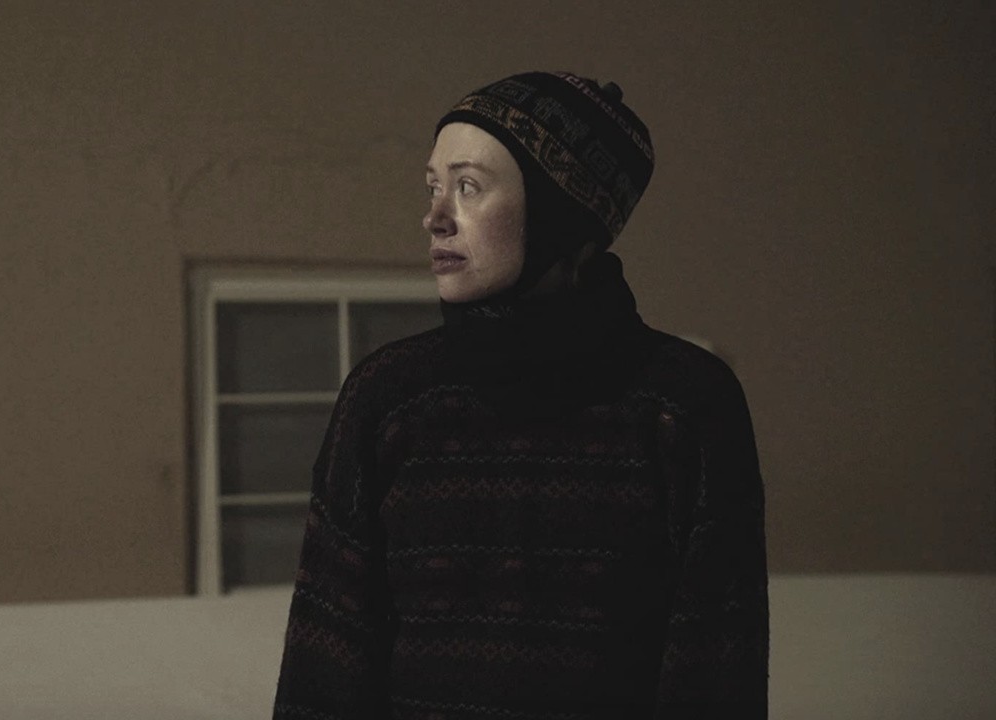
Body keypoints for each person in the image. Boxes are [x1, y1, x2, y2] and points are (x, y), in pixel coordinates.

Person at [271, 71, 769, 719]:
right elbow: (323, 665)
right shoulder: (389, 398)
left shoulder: (685, 405)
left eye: (468, 187)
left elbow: (716, 674)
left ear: (562, 213)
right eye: (433, 186)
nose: (434, 218)